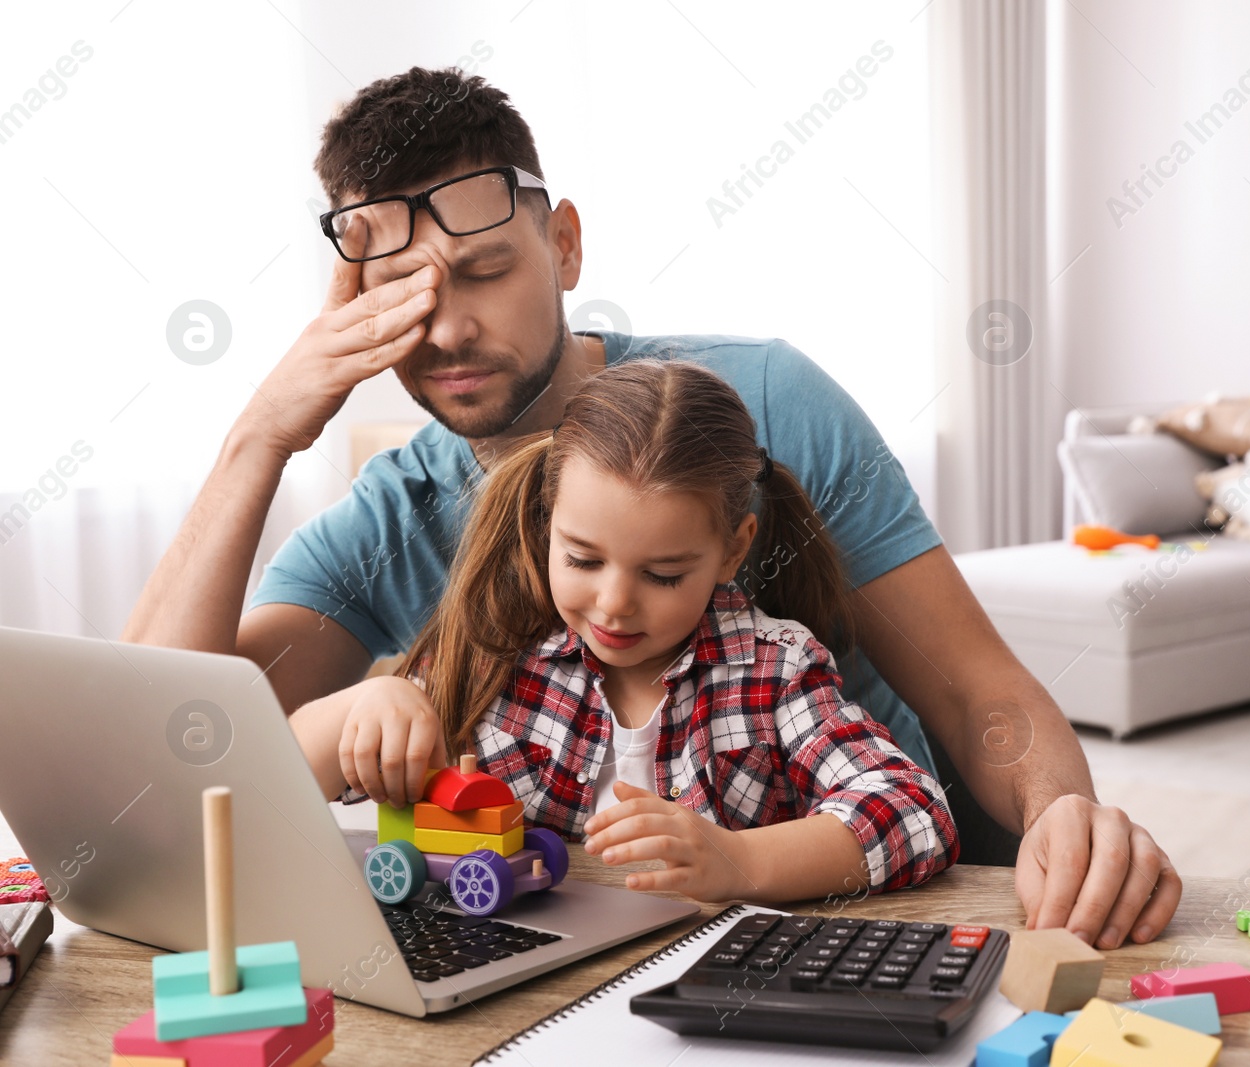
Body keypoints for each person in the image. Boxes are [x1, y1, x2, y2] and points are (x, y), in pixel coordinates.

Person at [123, 65, 1180, 946]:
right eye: (402, 291)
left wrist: (1062, 814)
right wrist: (258, 436)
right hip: (609, 933)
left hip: (871, 903)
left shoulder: (763, 402)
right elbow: (167, 755)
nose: (444, 330)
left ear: (566, 246)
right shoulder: (396, 513)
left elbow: (971, 692)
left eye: (485, 272)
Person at [290, 359, 958, 903]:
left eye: (663, 574)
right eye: (581, 560)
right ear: (549, 523)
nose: (614, 605)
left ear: (732, 550)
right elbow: (281, 772)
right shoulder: (495, 656)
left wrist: (740, 860)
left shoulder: (772, 670)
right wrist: (367, 704)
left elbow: (914, 811)